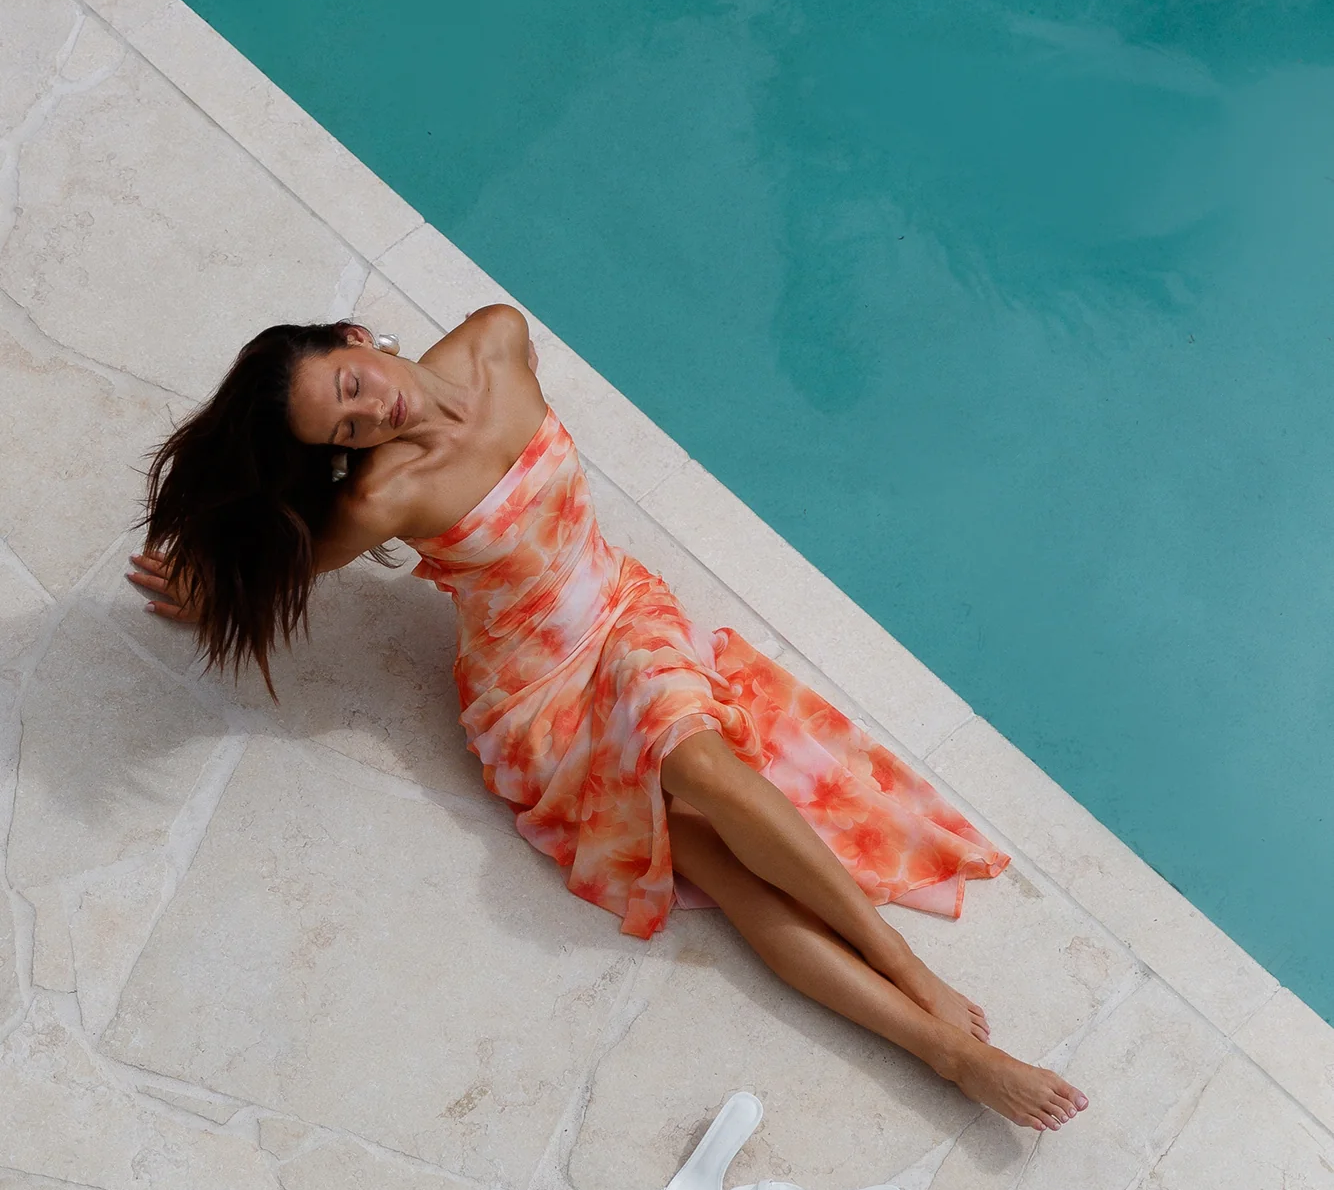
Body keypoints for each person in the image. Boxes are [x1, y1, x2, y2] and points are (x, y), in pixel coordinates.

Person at [129, 308, 1088, 1132]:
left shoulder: (497, 338)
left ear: (355, 337)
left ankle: (908, 969)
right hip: (536, 694)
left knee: (698, 766)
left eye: (352, 383)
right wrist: (209, 584)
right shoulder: (385, 494)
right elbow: (292, 566)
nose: (370, 412)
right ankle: (948, 1052)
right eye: (345, 425)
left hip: (624, 610)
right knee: (708, 853)